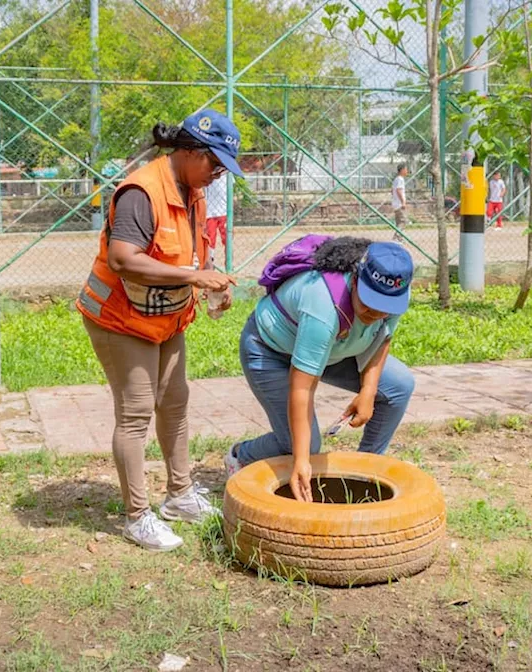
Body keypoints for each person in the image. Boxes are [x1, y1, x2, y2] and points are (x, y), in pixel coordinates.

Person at [77, 109, 241, 552]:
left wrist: (210, 278)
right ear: (189, 151)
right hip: (119, 316)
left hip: (164, 315)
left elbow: (191, 253)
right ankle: (136, 517)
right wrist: (192, 279)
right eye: (216, 163)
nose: (219, 174)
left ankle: (180, 495)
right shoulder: (141, 192)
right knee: (136, 411)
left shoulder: (193, 190)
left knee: (175, 401)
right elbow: (123, 259)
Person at [224, 238, 416, 503]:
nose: (376, 312)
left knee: (399, 386)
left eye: (385, 307)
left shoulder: (392, 294)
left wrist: (369, 390)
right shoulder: (323, 305)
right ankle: (241, 455)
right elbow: (302, 387)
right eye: (369, 302)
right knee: (304, 445)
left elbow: (382, 339)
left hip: (334, 350)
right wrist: (302, 461)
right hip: (271, 352)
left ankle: (366, 471)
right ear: (356, 277)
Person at [204, 172, 229, 251]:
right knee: (210, 239)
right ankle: (210, 259)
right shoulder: (207, 172)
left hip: (224, 210)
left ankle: (228, 260)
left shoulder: (227, 173)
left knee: (227, 238)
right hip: (210, 211)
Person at [391, 164, 409, 238]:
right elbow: (398, 190)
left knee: (398, 222)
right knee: (403, 221)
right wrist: (403, 202)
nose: (407, 171)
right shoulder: (400, 179)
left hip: (395, 203)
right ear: (402, 170)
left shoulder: (396, 179)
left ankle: (399, 237)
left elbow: (392, 191)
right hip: (399, 204)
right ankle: (397, 236)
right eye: (406, 169)